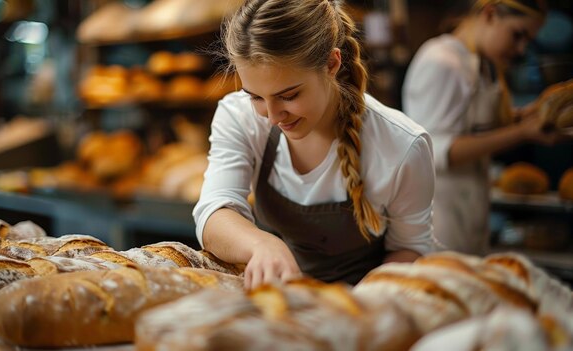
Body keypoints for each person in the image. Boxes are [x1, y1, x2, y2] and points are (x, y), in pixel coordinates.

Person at [193, 0, 436, 290]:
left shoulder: (402, 146)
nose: (271, 117)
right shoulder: (239, 117)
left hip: (371, 310)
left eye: (289, 95)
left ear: (332, 63)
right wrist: (262, 245)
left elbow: (411, 249)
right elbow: (214, 213)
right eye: (255, 97)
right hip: (281, 303)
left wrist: (361, 306)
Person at [402, 0, 563, 255]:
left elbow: (477, 129)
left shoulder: (481, 64)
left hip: (471, 222)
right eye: (517, 35)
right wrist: (521, 133)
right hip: (441, 227)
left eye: (527, 40)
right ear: (490, 14)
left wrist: (528, 116)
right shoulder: (441, 61)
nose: (521, 49)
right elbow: (435, 151)